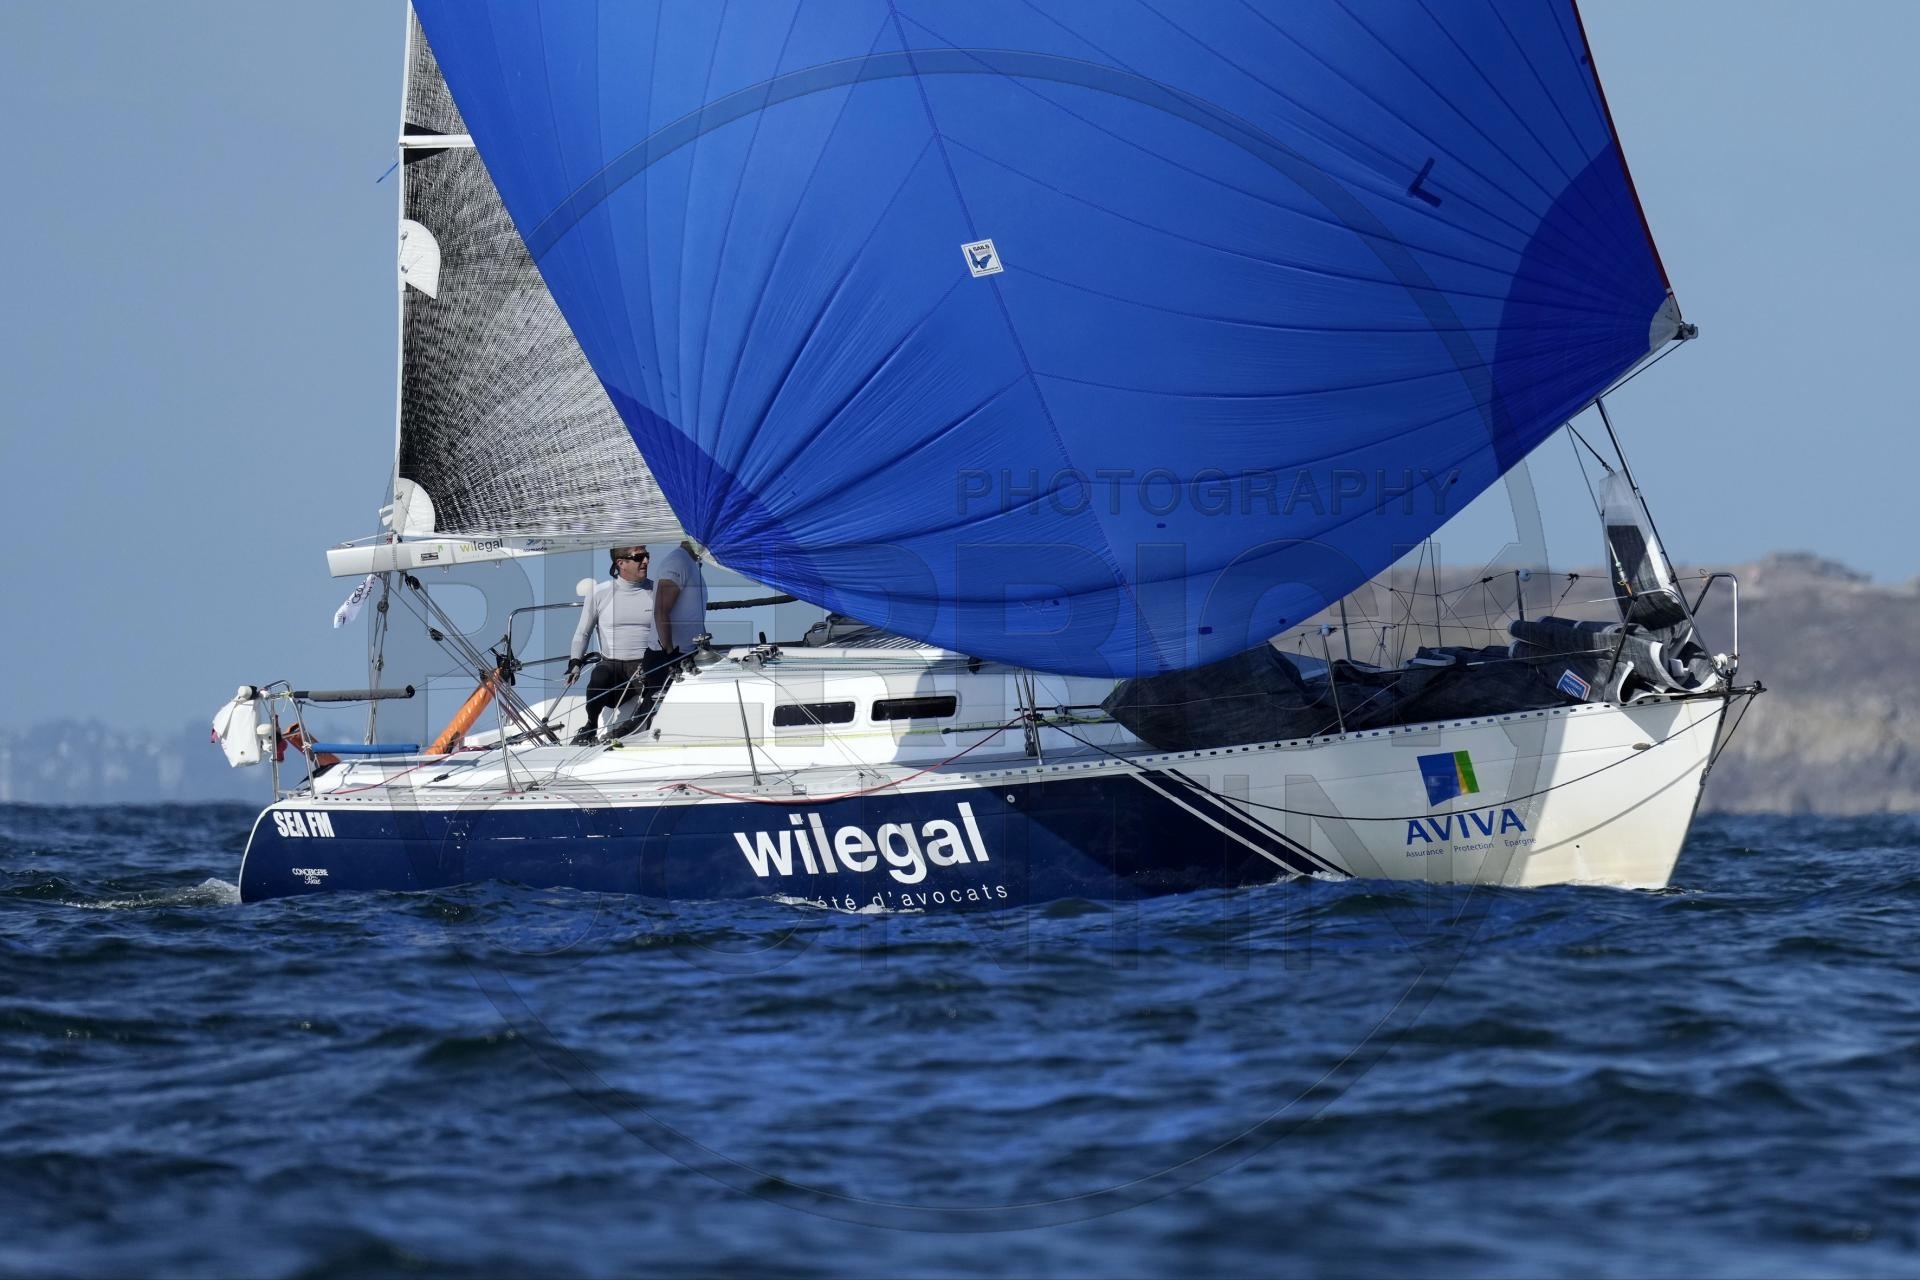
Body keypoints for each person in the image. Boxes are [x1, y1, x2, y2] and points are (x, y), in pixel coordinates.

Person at [564, 546, 657, 744]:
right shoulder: (600, 593)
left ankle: (627, 729)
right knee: (599, 676)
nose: (646, 561)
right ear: (620, 563)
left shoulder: (657, 591)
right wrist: (575, 662)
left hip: (645, 665)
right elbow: (583, 632)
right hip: (613, 668)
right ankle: (590, 726)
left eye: (647, 556)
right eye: (639, 557)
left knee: (657, 681)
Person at [651, 538, 709, 663]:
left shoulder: (690, 563)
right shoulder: (677, 562)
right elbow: (661, 611)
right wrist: (670, 654)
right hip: (669, 657)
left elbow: (694, 612)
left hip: (689, 654)